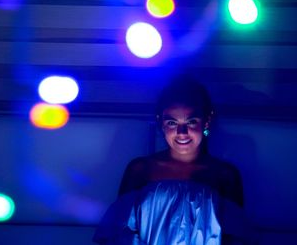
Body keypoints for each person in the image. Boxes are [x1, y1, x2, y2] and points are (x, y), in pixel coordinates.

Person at [93, 75, 248, 245]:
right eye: (172, 122)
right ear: (161, 122)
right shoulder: (141, 170)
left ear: (206, 121)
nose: (182, 132)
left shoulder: (224, 175)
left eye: (191, 121)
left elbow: (237, 238)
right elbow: (118, 233)